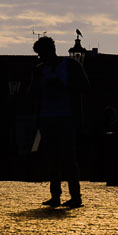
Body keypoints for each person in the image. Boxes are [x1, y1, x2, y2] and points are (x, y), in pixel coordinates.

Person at [31, 35, 89, 208]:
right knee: (52, 158)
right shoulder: (40, 70)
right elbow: (32, 93)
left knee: (68, 157)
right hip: (47, 118)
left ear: (50, 51)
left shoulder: (71, 65)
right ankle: (55, 195)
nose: (41, 58)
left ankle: (75, 196)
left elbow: (85, 87)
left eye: (42, 54)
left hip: (67, 117)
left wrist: (63, 86)